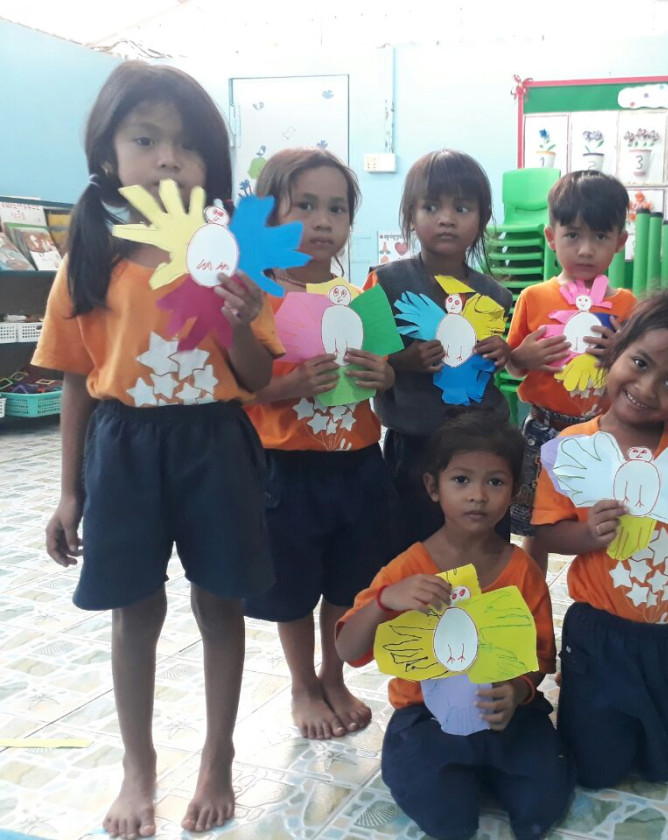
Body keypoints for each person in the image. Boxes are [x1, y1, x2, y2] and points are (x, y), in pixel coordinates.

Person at [34, 61, 282, 837]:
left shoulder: (229, 255)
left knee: (221, 603)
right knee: (134, 608)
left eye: (188, 145)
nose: (169, 159)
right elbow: (76, 379)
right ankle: (137, 766)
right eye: (146, 140)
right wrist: (70, 491)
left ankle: (218, 756)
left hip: (216, 442)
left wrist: (240, 318)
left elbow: (255, 378)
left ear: (211, 163)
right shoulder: (90, 256)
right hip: (125, 448)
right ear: (108, 156)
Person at [533, 290, 668, 788]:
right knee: (593, 770)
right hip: (601, 636)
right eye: (640, 363)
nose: (647, 388)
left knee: (661, 768)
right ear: (616, 351)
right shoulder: (573, 447)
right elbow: (546, 532)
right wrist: (587, 534)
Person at [336, 409, 573, 840]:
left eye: (495, 482)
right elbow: (348, 650)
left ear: (514, 493)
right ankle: (455, 777)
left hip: (506, 712)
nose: (477, 496)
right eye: (461, 480)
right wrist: (385, 601)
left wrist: (518, 690)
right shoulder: (406, 570)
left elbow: (540, 656)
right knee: (447, 819)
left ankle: (495, 770)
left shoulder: (522, 570)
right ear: (433, 487)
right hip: (426, 717)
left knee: (541, 807)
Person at [242, 148, 396, 740]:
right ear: (271, 216)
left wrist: (385, 374)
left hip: (358, 464)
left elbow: (382, 374)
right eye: (305, 206)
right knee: (292, 588)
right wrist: (289, 385)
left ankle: (334, 676)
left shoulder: (359, 297)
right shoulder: (258, 300)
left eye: (336, 208)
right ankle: (302, 685)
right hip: (285, 470)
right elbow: (236, 388)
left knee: (347, 582)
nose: (322, 221)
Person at [369, 150, 513, 546]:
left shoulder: (494, 295)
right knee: (411, 549)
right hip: (414, 444)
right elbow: (369, 360)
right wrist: (405, 361)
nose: (446, 218)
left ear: (482, 218)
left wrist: (502, 353)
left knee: (482, 547)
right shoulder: (386, 283)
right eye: (431, 207)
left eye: (462, 208)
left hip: (480, 444)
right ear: (410, 214)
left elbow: (491, 371)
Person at [506, 170, 637, 571]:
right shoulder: (533, 297)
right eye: (573, 235)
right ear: (552, 237)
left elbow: (639, 374)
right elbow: (511, 365)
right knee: (538, 528)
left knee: (603, 522)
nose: (585, 249)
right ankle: (535, 599)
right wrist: (523, 357)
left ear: (620, 242)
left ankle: (596, 594)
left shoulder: (628, 305)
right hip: (545, 428)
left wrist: (620, 356)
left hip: (606, 434)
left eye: (600, 237)